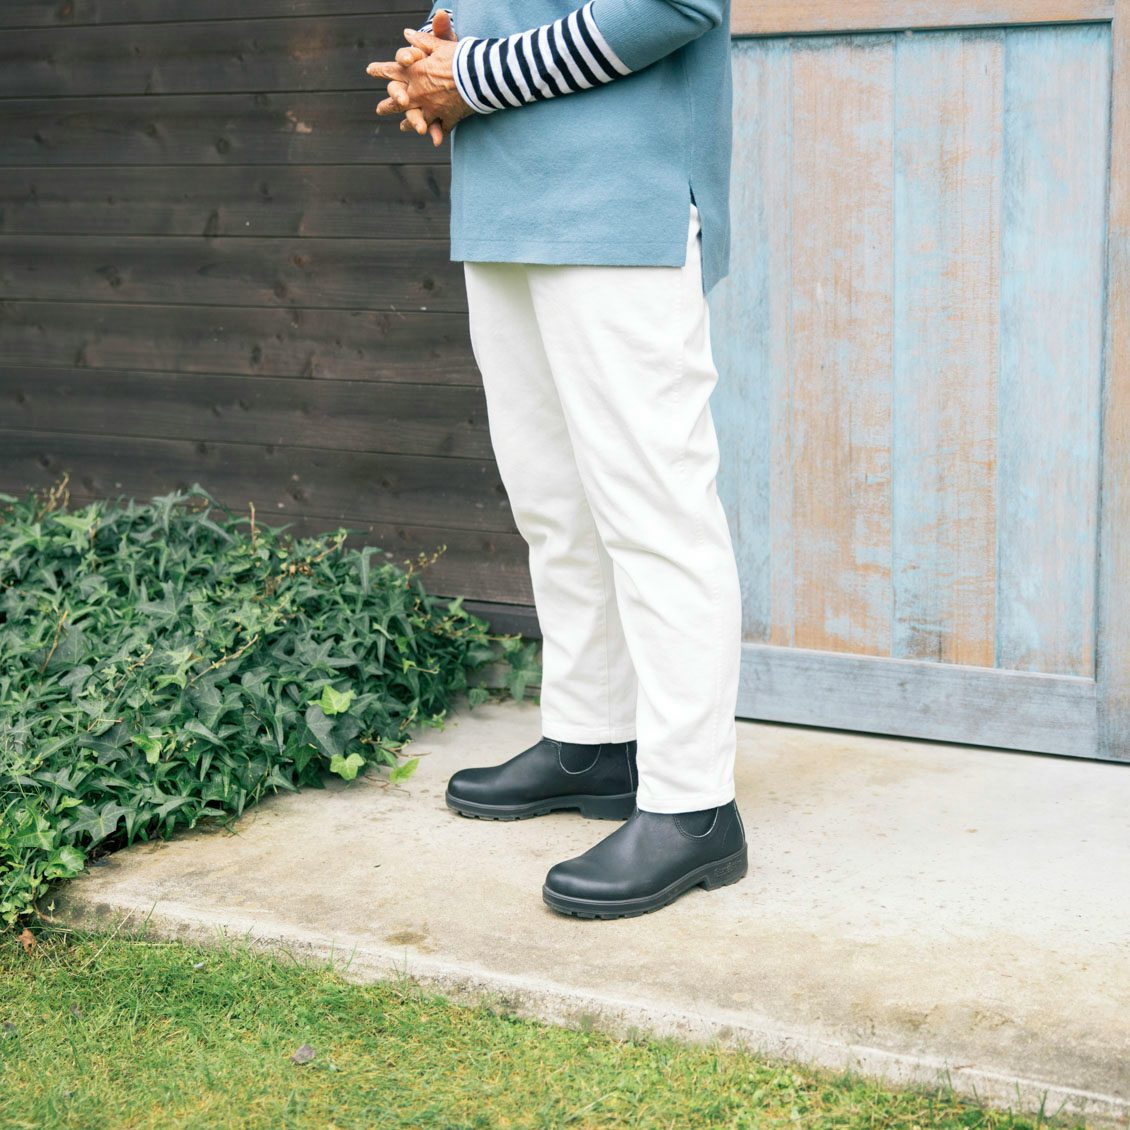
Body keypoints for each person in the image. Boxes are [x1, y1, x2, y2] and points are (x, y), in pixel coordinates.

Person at [366, 0, 747, 920]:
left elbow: (676, 5)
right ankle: (592, 739)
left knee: (656, 514)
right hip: (502, 196)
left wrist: (472, 75)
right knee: (554, 504)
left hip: (620, 194)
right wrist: (432, 64)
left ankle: (693, 804)